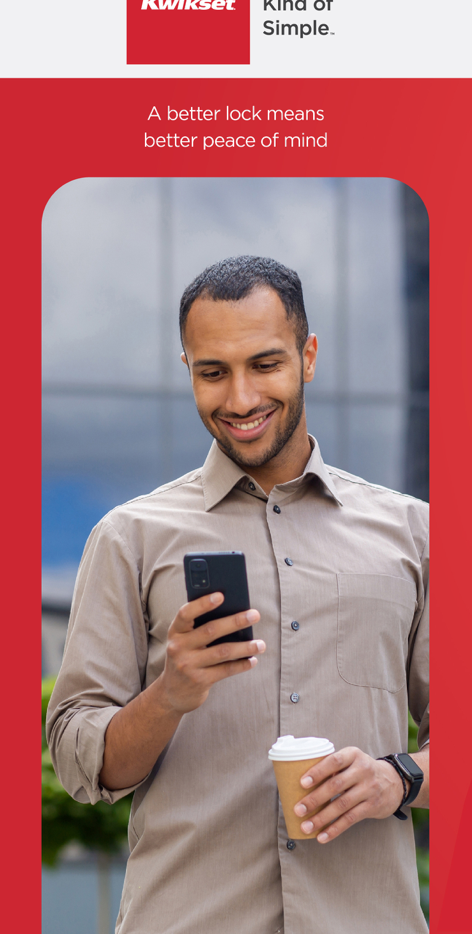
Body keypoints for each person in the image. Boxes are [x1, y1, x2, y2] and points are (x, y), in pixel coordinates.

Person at [47, 256, 429, 934]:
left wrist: (398, 777)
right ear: (188, 370)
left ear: (308, 356)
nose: (241, 398)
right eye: (213, 372)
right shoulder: (129, 538)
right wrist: (171, 694)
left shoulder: (416, 534)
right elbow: (79, 761)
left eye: (265, 364)